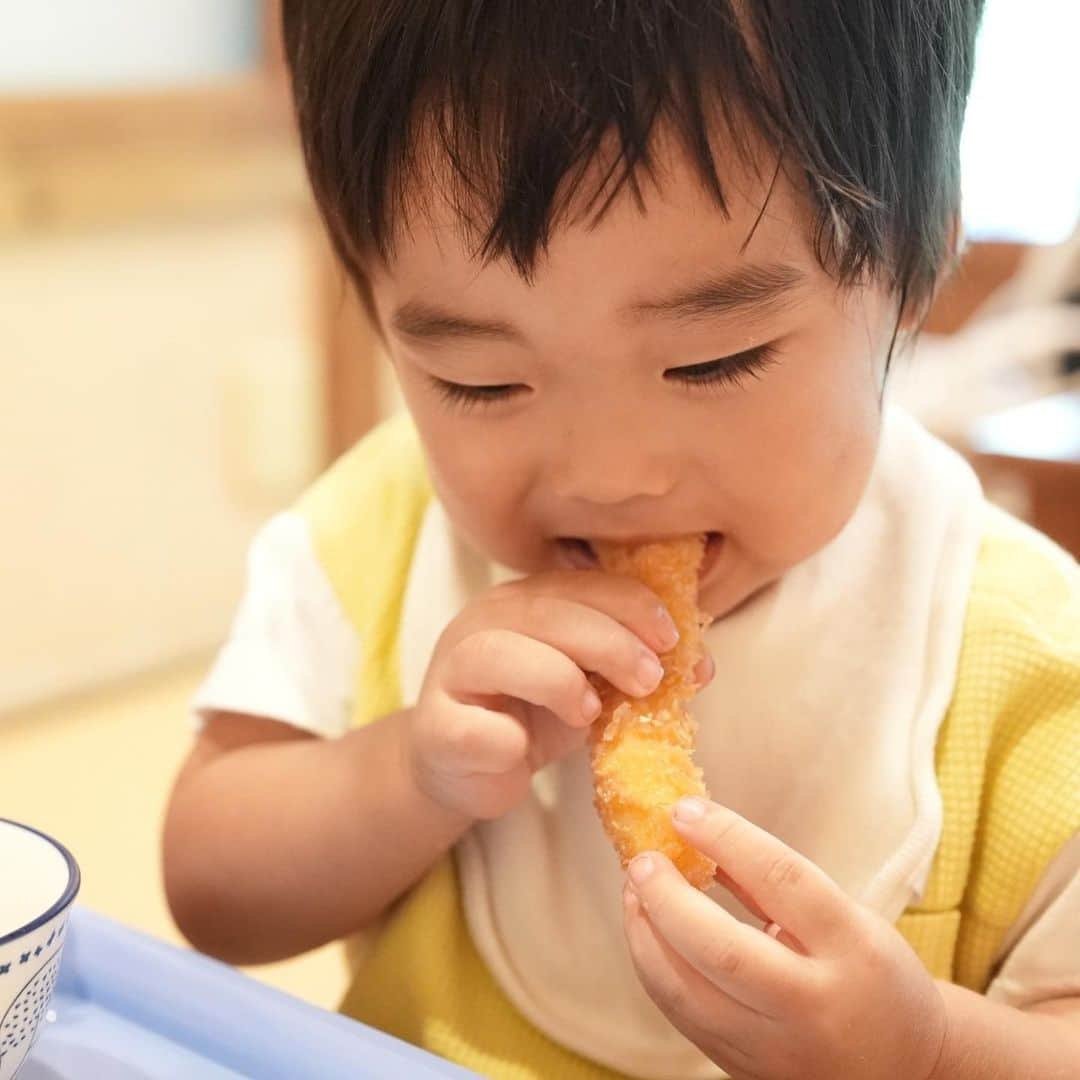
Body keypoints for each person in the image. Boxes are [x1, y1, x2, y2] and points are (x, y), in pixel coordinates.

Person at [162, 3, 1080, 1077]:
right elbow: (211, 893)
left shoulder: (1021, 656)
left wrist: (923, 1051)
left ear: (915, 267)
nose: (608, 477)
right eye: (481, 381)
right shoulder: (378, 535)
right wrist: (408, 777)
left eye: (712, 361)